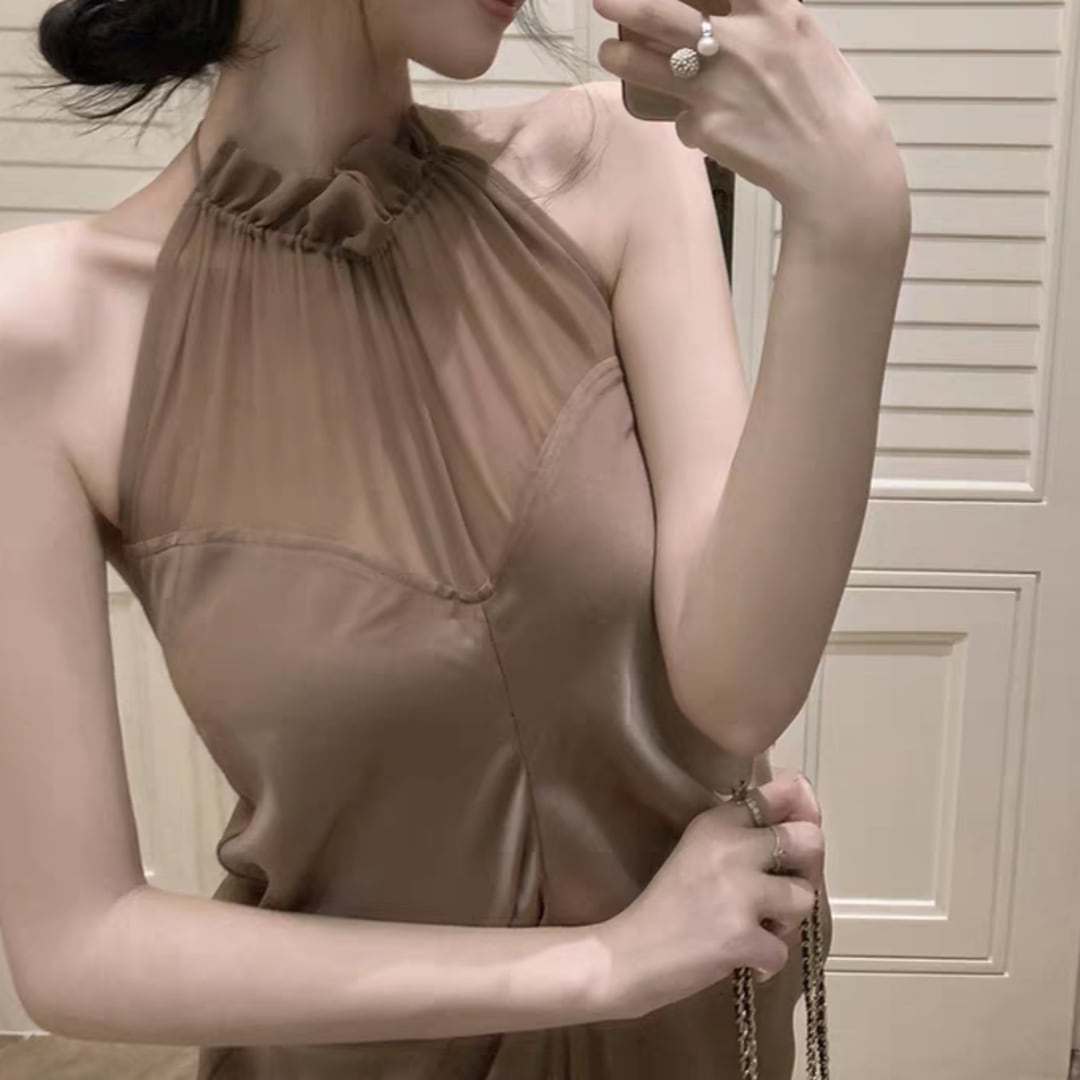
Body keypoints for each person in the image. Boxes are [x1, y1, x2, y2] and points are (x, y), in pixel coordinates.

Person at [0, 0, 910, 1076]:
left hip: (689, 1040)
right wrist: (606, 963)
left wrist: (852, 224)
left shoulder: (616, 165)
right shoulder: (49, 329)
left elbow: (738, 692)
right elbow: (77, 946)